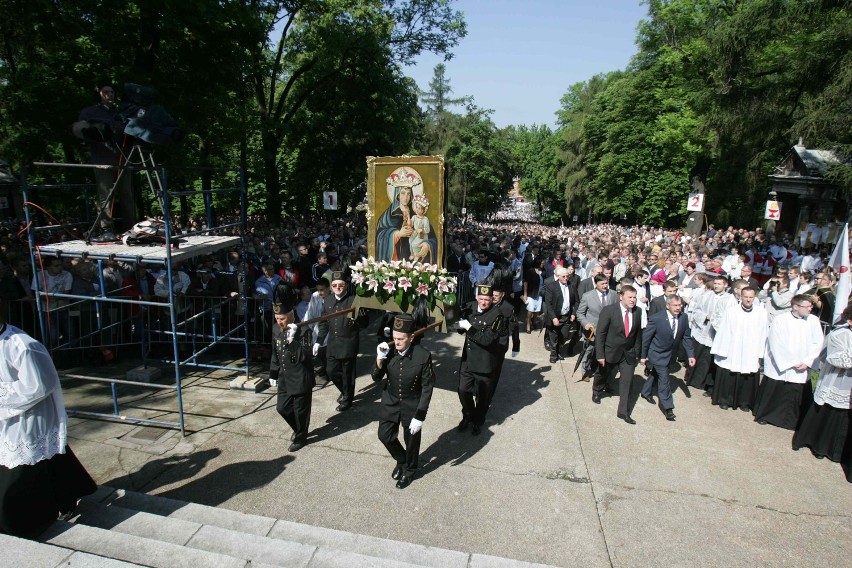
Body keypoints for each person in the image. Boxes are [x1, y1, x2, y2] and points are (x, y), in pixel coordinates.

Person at [0, 319, 97, 537]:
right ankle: (68, 495)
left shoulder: (23, 345)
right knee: (48, 458)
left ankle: (23, 523)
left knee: (16, 476)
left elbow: (40, 383)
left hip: (28, 419)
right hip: (7, 419)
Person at [372, 314, 435, 489]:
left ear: (411, 337)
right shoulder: (388, 349)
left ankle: (410, 469)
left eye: (400, 339)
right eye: (394, 338)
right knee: (384, 435)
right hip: (390, 400)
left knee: (412, 442)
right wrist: (379, 359)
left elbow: (428, 387)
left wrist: (420, 416)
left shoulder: (423, 356)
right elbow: (376, 377)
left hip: (411, 404)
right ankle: (401, 460)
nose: (396, 342)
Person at [792, 305, 852, 482]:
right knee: (829, 416)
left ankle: (838, 452)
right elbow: (834, 357)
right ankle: (820, 447)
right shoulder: (838, 334)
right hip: (837, 381)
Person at [753, 295, 823, 429]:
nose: (811, 308)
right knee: (776, 391)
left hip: (803, 365)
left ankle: (791, 422)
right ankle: (767, 415)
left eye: (810, 306)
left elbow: (817, 342)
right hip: (783, 365)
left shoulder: (813, 320)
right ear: (796, 307)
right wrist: (792, 362)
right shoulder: (781, 320)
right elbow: (776, 343)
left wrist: (807, 361)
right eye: (807, 306)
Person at [77, 82, 135, 241]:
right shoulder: (90, 112)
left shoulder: (121, 113)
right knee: (106, 195)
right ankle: (106, 230)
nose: (110, 94)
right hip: (102, 160)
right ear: (99, 94)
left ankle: (132, 228)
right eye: (106, 92)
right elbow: (81, 132)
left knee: (127, 194)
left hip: (123, 159)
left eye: (112, 92)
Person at [269, 285, 314, 452]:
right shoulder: (276, 328)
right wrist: (273, 372)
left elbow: (306, 356)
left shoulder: (304, 330)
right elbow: (275, 352)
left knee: (301, 412)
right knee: (282, 408)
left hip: (301, 377)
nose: (279, 322)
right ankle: (298, 429)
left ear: (291, 315)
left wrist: (293, 340)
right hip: (285, 377)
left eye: (282, 318)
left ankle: (301, 436)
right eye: (277, 318)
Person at [315, 271, 367, 411]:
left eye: (341, 285)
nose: (338, 287)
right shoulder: (328, 300)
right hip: (333, 343)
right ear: (331, 287)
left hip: (348, 342)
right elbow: (323, 323)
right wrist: (319, 341)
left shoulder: (354, 300)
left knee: (348, 374)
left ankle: (347, 399)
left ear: (346, 286)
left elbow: (365, 323)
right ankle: (345, 392)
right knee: (331, 371)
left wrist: (361, 316)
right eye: (335, 285)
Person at [710, 287, 768, 411]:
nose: (748, 300)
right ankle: (725, 399)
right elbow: (724, 330)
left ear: (754, 298)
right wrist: (723, 350)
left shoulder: (761, 313)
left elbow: (764, 332)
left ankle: (745, 402)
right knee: (730, 372)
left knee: (748, 376)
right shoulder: (732, 311)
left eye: (751, 297)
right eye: (746, 297)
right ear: (741, 297)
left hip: (751, 349)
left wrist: (760, 352)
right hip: (734, 347)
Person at [457, 283, 503, 435]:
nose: (483, 303)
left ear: (492, 299)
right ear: (477, 297)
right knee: (463, 390)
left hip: (484, 362)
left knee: (482, 398)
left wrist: (469, 328)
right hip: (468, 360)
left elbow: (486, 339)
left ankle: (478, 420)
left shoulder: (497, 315)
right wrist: (458, 322)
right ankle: (469, 415)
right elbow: (458, 327)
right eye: (481, 299)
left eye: (487, 300)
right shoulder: (470, 307)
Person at [640, 295, 696, 422]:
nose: (678, 308)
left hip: (671, 355)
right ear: (667, 306)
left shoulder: (683, 318)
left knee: (655, 373)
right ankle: (668, 408)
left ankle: (645, 391)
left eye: (680, 305)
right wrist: (643, 356)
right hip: (657, 354)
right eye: (675, 305)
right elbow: (646, 338)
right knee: (664, 380)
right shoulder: (657, 318)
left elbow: (686, 337)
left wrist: (690, 355)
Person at [594, 285, 643, 424]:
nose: (633, 300)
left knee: (627, 382)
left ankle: (623, 412)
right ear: (621, 296)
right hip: (610, 351)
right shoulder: (609, 311)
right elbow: (600, 334)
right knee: (603, 374)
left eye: (634, 297)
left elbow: (638, 335)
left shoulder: (638, 312)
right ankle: (597, 390)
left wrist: (638, 354)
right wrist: (600, 354)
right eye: (630, 297)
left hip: (628, 354)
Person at [375, 171, 436, 263]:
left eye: (408, 193)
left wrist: (427, 244)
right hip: (397, 259)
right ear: (397, 195)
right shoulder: (389, 215)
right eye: (403, 193)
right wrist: (397, 234)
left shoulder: (417, 213)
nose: (406, 197)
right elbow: (379, 236)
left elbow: (432, 237)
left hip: (415, 259)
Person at [542, 266, 578, 364]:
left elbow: (576, 301)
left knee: (564, 336)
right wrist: (553, 317)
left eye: (567, 276)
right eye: (563, 277)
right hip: (555, 316)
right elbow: (548, 303)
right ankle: (554, 354)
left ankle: (558, 350)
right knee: (553, 337)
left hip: (566, 316)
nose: (566, 278)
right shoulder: (551, 286)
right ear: (558, 277)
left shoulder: (572, 286)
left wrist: (574, 313)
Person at [408, 194, 432, 262]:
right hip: (416, 232)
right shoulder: (414, 217)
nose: (417, 210)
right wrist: (408, 218)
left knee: (414, 243)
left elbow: (427, 230)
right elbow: (410, 224)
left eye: (419, 208)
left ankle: (417, 255)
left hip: (422, 235)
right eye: (417, 207)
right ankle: (412, 253)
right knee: (410, 240)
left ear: (423, 210)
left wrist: (421, 230)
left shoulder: (425, 219)